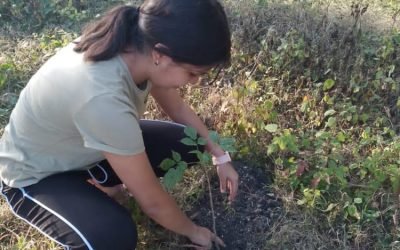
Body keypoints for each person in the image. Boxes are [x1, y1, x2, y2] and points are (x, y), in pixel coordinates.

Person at [0, 0, 239, 249]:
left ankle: (103, 181)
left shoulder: (139, 46)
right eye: (192, 73)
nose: (195, 82)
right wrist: (194, 230)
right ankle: (88, 190)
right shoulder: (101, 96)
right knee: (113, 238)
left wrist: (220, 155)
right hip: (36, 174)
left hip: (85, 146)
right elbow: (152, 202)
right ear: (160, 55)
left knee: (189, 142)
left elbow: (177, 108)